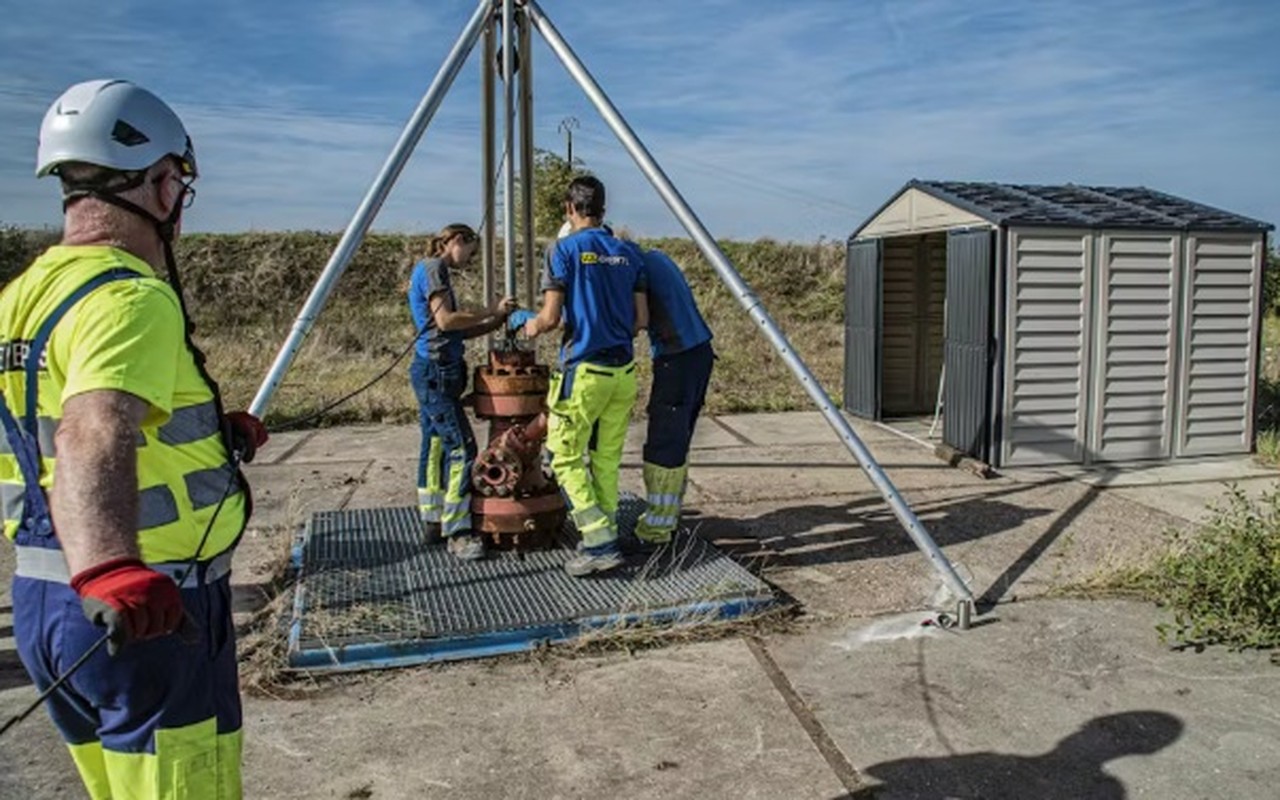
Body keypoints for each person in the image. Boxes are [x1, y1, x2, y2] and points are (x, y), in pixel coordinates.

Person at [1, 79, 266, 798]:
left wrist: (212, 431)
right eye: (178, 183)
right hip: (147, 606)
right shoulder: (131, 294)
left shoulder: (26, 294)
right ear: (159, 184)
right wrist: (110, 567)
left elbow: (42, 422)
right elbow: (92, 430)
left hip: (50, 605)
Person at [523, 176, 647, 577]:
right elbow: (639, 320)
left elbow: (550, 317)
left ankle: (596, 540)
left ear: (568, 208)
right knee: (606, 458)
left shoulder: (563, 250)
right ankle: (607, 529)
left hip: (585, 372)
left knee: (563, 454)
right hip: (623, 372)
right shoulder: (630, 253)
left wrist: (527, 325)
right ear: (603, 210)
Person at [408, 223, 516, 560]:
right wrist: (491, 310)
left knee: (435, 444)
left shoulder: (429, 270)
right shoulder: (434, 268)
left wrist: (493, 324)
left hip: (437, 369)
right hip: (436, 372)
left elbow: (453, 332)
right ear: (456, 240)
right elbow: (446, 322)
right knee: (462, 448)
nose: (470, 259)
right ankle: (458, 529)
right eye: (471, 250)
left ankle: (432, 520)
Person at [632, 247, 714, 545]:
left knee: (664, 440)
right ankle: (669, 515)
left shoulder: (632, 265)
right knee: (678, 439)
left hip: (675, 357)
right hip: (698, 353)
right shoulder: (655, 257)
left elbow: (636, 319)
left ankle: (656, 529)